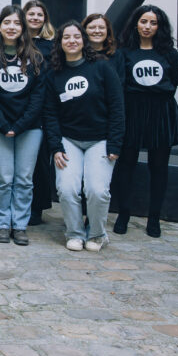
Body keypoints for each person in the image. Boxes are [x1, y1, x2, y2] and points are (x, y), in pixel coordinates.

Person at [44, 21, 124, 252]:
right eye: (66, 37)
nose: (72, 41)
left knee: (97, 190)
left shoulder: (101, 68)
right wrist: (56, 146)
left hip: (100, 140)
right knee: (67, 189)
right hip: (69, 140)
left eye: (76, 36)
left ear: (83, 40)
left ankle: (98, 234)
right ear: (59, 43)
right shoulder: (54, 74)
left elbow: (118, 107)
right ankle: (75, 232)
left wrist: (115, 143)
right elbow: (50, 114)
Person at [0, 5, 46, 246]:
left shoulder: (35, 57)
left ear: (23, 27)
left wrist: (21, 124)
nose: (12, 27)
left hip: (30, 127)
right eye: (7, 22)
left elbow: (38, 96)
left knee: (25, 178)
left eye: (16, 23)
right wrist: (5, 125)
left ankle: (20, 224)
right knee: (4, 177)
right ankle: (3, 223)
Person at [112, 5, 178, 238]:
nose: (147, 27)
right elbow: (120, 86)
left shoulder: (169, 53)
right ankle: (124, 213)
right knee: (126, 165)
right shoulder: (124, 52)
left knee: (159, 167)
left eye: (153, 23)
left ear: (160, 26)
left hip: (161, 114)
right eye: (144, 21)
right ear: (136, 23)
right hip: (132, 112)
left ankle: (154, 218)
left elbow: (173, 84)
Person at [22, 0, 55, 226]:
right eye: (31, 14)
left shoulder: (51, 46)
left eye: (39, 15)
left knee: (41, 161)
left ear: (45, 19)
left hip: (44, 107)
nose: (35, 18)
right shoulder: (17, 42)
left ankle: (37, 208)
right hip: (19, 106)